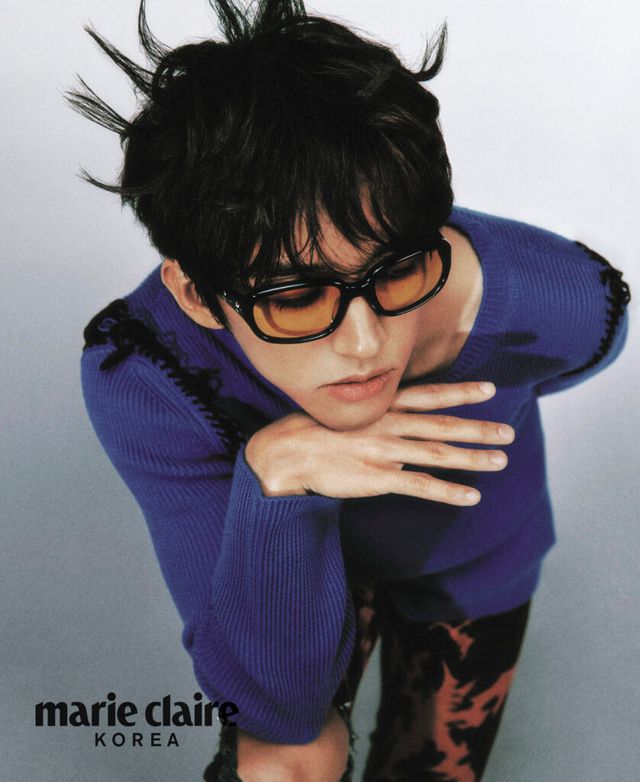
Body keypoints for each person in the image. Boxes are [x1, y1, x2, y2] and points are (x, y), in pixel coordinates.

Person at [72, 1, 631, 779]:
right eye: (297, 297)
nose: (366, 344)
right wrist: (278, 475)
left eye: (397, 270)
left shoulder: (556, 298)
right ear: (197, 295)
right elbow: (275, 706)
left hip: (477, 557)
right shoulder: (145, 373)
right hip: (291, 567)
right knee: (282, 758)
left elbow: (586, 350)